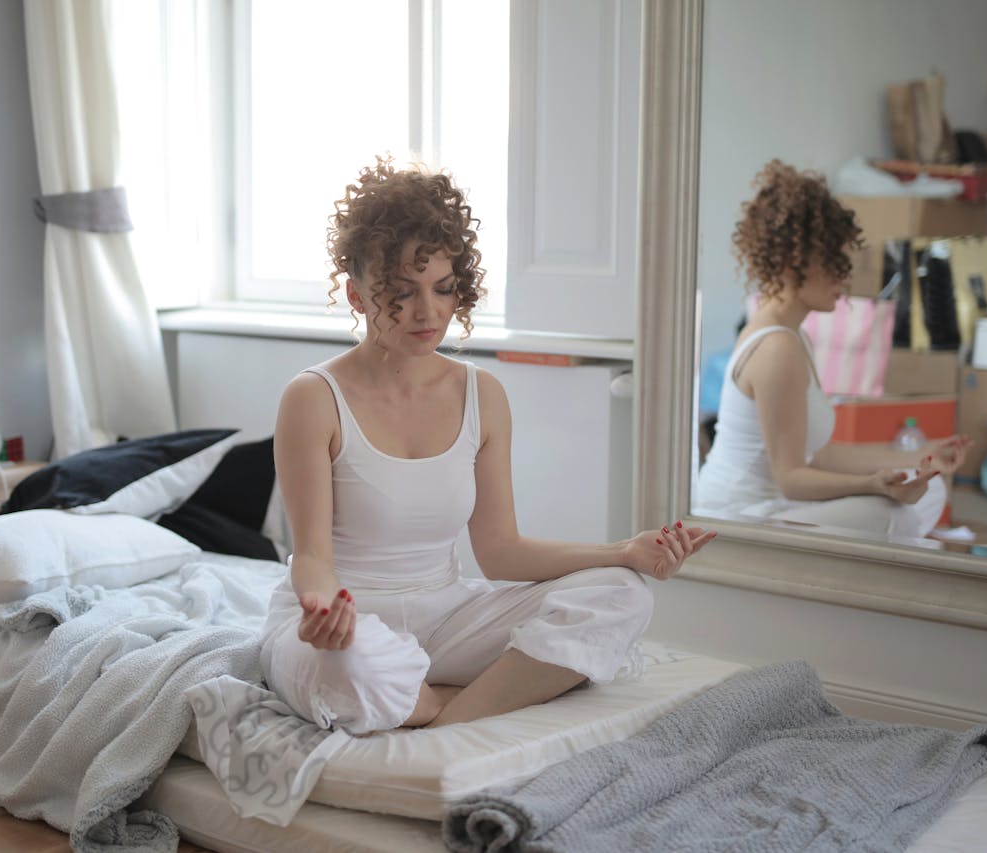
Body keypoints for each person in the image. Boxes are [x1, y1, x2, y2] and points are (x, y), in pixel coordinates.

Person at [258, 157, 716, 735]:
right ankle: (447, 699)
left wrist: (623, 552)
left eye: (444, 289)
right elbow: (313, 557)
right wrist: (321, 612)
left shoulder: (483, 394)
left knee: (623, 597)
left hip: (447, 616)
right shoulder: (313, 397)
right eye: (402, 292)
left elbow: (501, 552)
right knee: (347, 668)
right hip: (349, 622)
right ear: (356, 293)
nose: (429, 312)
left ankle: (443, 713)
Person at [694, 160, 972, 542]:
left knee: (930, 491)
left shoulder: (792, 336)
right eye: (835, 263)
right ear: (794, 266)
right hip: (739, 516)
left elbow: (820, 455)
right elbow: (792, 480)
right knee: (896, 518)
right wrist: (874, 485)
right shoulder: (777, 349)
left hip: (774, 505)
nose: (846, 276)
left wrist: (921, 455)